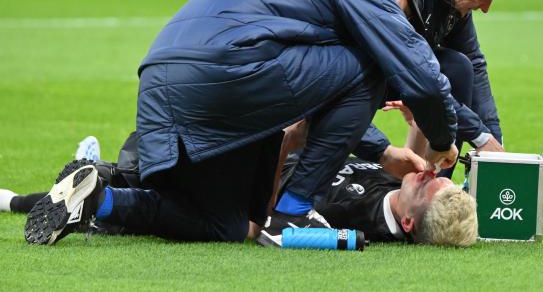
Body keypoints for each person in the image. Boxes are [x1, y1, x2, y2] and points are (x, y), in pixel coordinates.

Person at [23, 0, 460, 246]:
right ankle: (294, 212)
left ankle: (99, 198)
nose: (401, 26)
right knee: (379, 61)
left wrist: (380, 151)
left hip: (167, 78)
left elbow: (320, 93)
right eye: (405, 16)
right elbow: (419, 76)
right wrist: (443, 139)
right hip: (228, 75)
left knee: (231, 226)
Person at [5, 134, 478, 247]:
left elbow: (270, 224)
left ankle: (24, 199)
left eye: (429, 185)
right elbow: (418, 163)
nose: (429, 174)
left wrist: (287, 144)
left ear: (410, 222)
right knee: (135, 172)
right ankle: (92, 178)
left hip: (249, 172)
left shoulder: (355, 225)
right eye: (436, 176)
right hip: (251, 153)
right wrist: (417, 125)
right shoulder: (397, 189)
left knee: (139, 178)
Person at [356, 0, 516, 179]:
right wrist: (479, 135)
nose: (485, 9)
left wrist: (494, 140)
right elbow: (416, 73)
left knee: (458, 67)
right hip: (352, 70)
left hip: (397, 69)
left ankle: (435, 188)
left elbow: (473, 60)